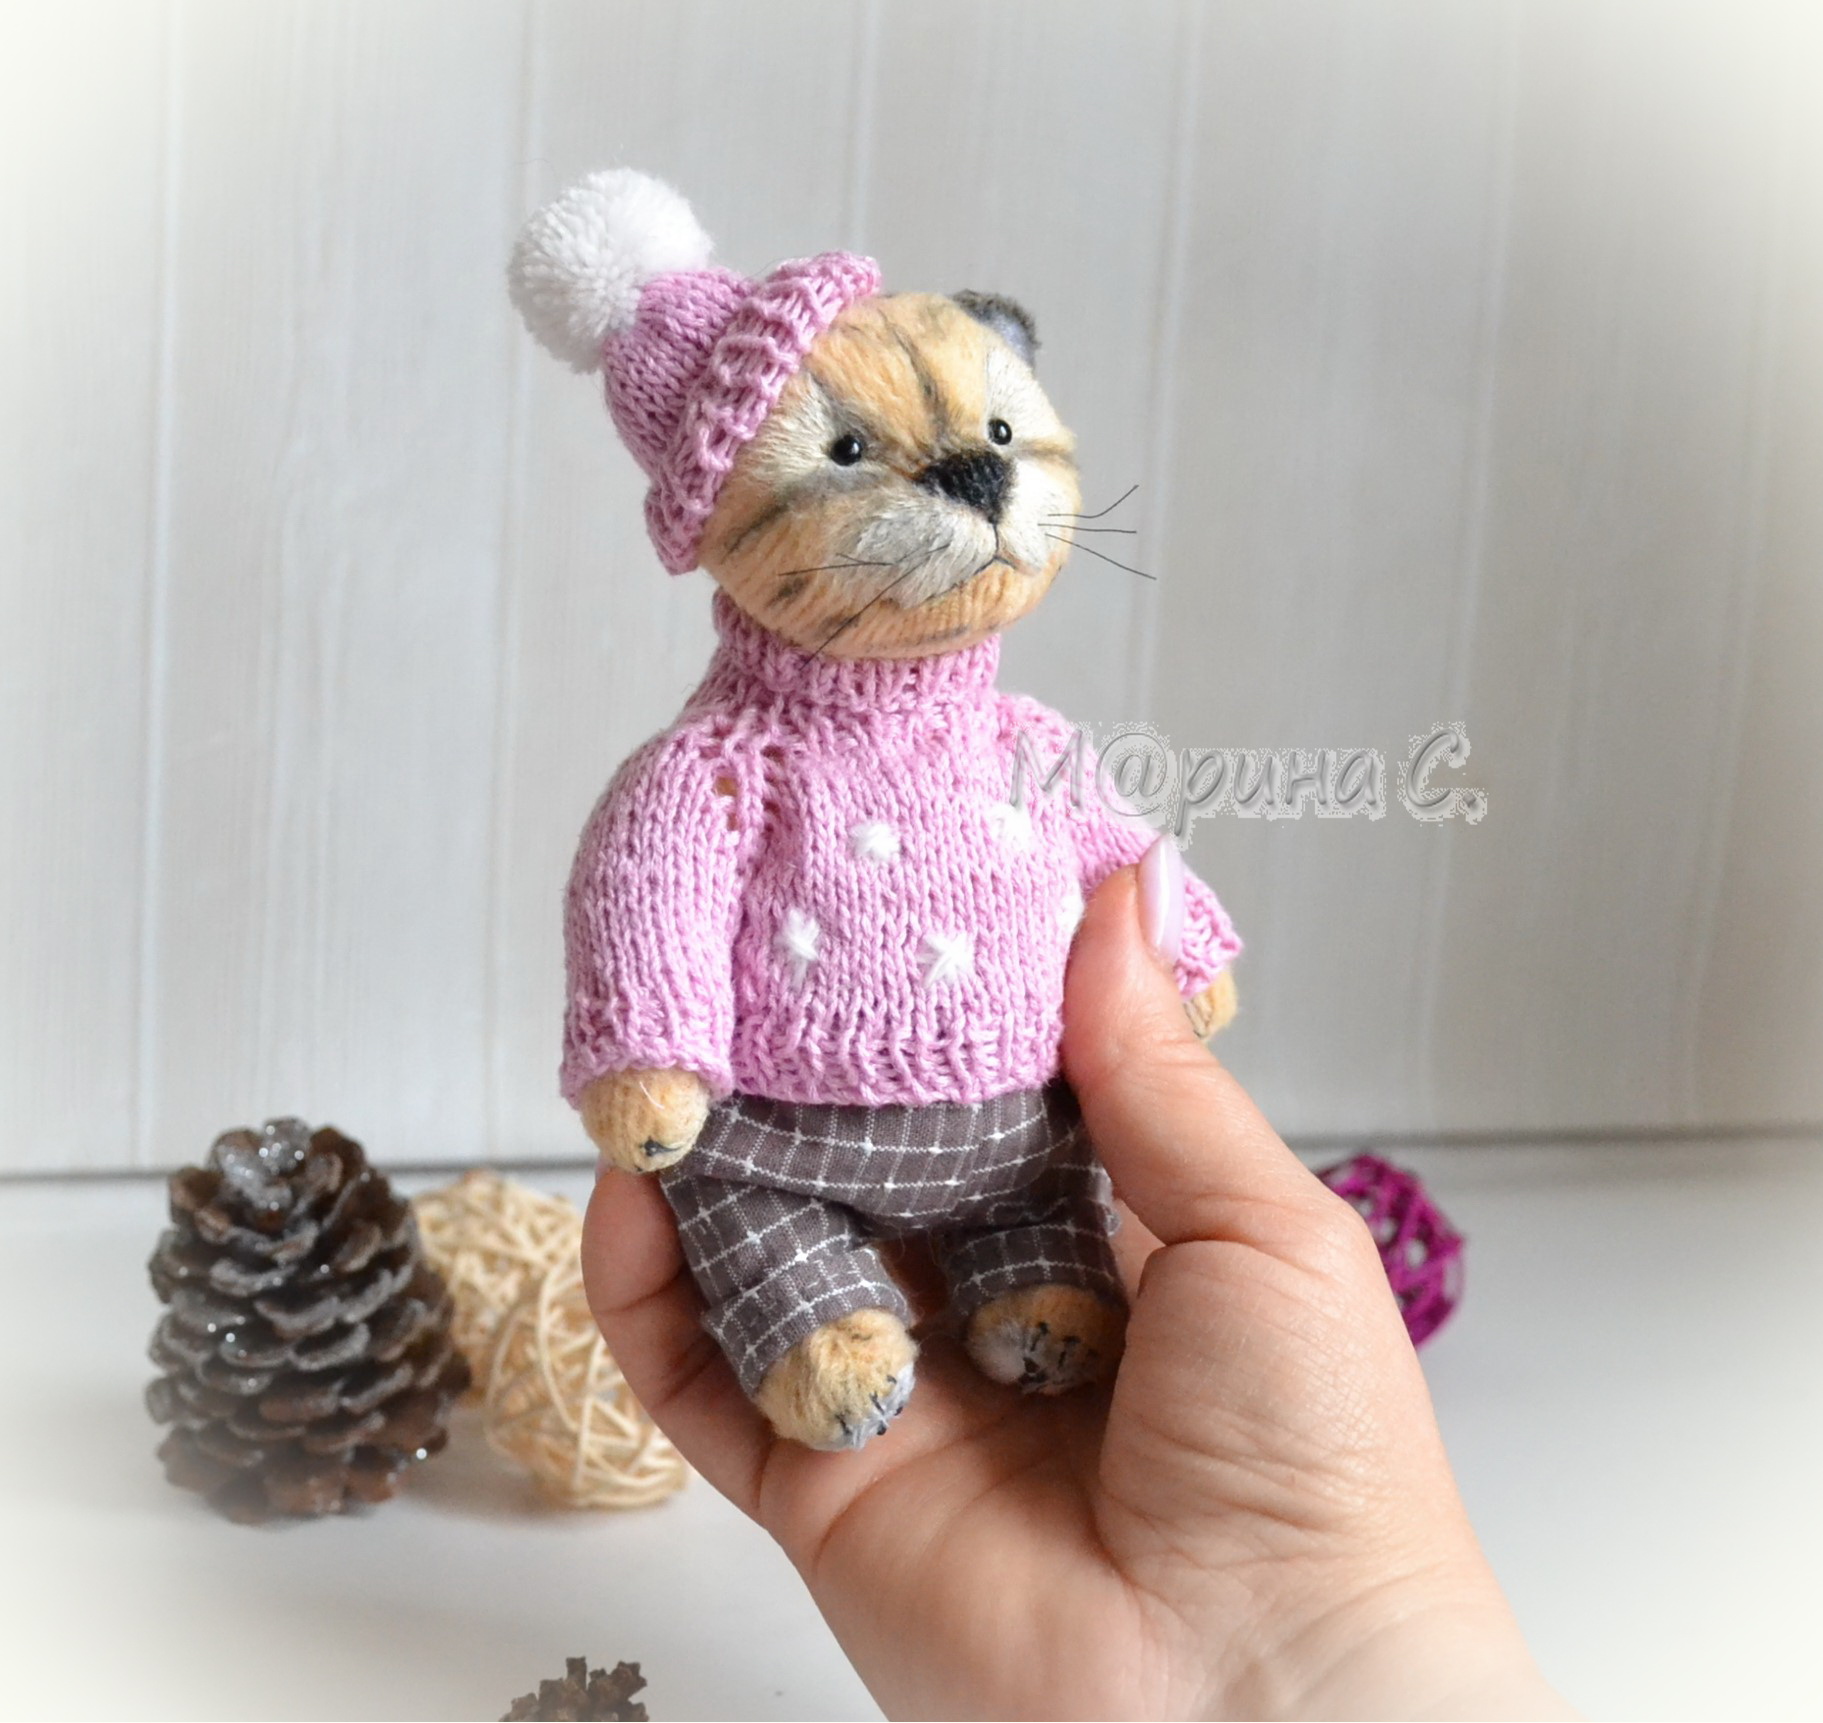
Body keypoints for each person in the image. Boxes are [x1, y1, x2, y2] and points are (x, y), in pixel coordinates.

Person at [583, 849, 1574, 1719]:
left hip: (1014, 1137)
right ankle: (812, 1325)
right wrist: (648, 1040)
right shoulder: (726, 765)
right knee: (725, 1199)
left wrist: (1179, 952)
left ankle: (1036, 1288)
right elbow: (652, 875)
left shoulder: (1024, 746)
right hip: (780, 1138)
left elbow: (1110, 845)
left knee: (1051, 1188)